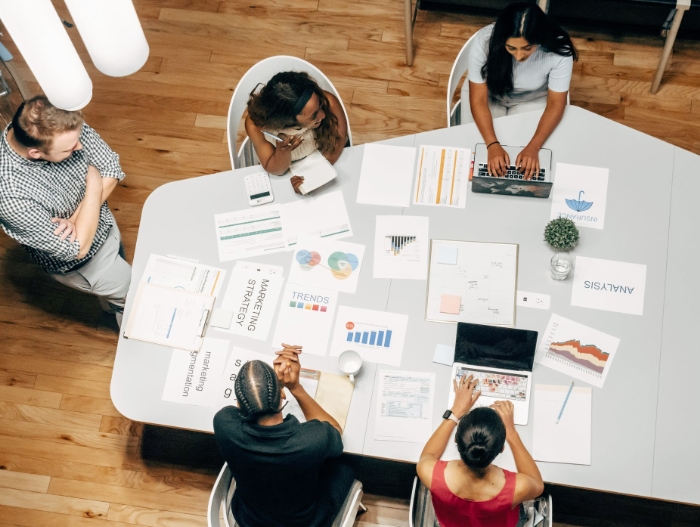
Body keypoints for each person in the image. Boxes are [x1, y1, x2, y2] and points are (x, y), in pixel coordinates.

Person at [0, 96, 130, 326]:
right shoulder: (10, 196)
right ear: (35, 153)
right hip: (87, 265)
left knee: (118, 290)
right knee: (134, 299)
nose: (79, 146)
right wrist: (94, 181)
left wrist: (76, 218)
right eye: (70, 149)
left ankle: (111, 305)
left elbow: (111, 166)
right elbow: (77, 248)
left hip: (105, 225)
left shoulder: (59, 124)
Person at [213, 345, 355, 527]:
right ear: (282, 393)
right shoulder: (312, 440)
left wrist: (265, 390)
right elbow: (335, 429)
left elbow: (238, 409)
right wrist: (295, 387)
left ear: (239, 405)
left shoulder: (224, 424)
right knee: (345, 463)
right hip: (306, 522)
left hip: (250, 519)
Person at [463, 2, 578, 179]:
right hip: (490, 95)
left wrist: (534, 146)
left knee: (528, 158)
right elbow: (478, 100)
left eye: (527, 48)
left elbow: (556, 103)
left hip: (532, 98)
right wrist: (492, 144)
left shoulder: (558, 50)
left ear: (540, 39)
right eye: (511, 48)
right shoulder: (484, 41)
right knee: (475, 153)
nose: (519, 56)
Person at [417, 375, 544, 527]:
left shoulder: (429, 472)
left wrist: (455, 411)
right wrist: (511, 433)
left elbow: (428, 455)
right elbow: (537, 484)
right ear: (502, 448)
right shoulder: (517, 488)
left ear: (456, 439)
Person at [245, 71, 348, 192]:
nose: (323, 115)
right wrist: (283, 151)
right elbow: (276, 170)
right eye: (314, 115)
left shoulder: (329, 101)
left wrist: (314, 178)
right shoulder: (255, 126)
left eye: (320, 104)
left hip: (324, 157)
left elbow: (339, 141)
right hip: (284, 168)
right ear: (288, 122)